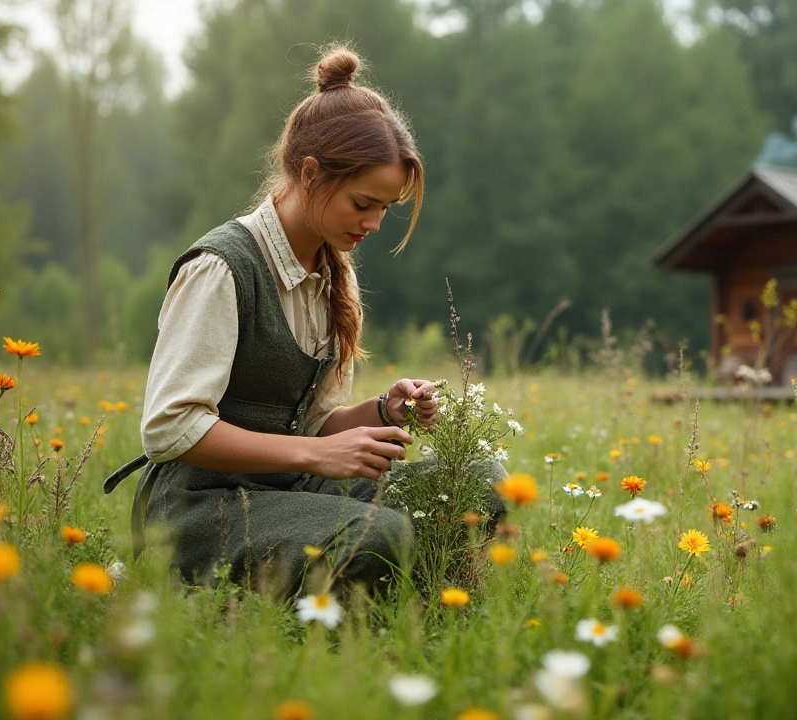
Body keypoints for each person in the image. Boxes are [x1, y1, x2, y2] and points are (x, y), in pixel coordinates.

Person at [104, 46, 501, 599]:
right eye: (364, 203)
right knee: (382, 536)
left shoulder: (336, 276)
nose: (376, 223)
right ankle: (176, 585)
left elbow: (310, 426)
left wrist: (384, 410)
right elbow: (170, 429)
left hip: (292, 492)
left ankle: (424, 592)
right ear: (311, 174)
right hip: (198, 511)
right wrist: (316, 456)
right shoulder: (222, 268)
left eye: (386, 208)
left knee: (483, 486)